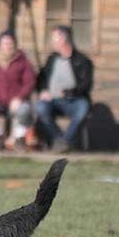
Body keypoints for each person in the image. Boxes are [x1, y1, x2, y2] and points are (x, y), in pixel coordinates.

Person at [35, 24, 94, 152]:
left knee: (83, 107)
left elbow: (86, 85)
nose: (51, 42)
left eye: (54, 38)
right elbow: (41, 79)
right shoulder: (51, 59)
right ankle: (61, 140)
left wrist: (68, 93)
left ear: (64, 39)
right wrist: (43, 90)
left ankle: (64, 140)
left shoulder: (82, 61)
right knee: (40, 106)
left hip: (74, 100)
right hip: (52, 101)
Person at [0, 31, 36, 151]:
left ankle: (19, 139)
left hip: (16, 102)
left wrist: (19, 97)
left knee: (25, 109)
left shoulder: (23, 62)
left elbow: (29, 82)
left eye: (11, 43)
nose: (8, 46)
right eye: (5, 43)